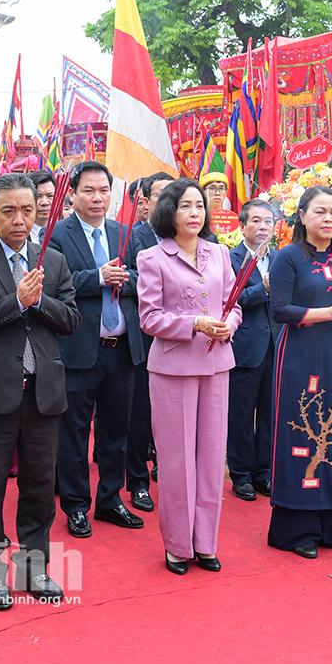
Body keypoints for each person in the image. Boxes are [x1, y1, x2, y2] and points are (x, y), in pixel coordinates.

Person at [0, 173, 80, 609]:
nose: (20, 219)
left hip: (43, 392)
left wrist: (39, 300)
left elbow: (71, 320)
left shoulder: (54, 262)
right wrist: (16, 302)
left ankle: (35, 567)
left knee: (41, 484)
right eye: (9, 211)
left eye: (27, 210)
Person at [137, 179, 241, 574]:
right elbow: (150, 318)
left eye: (199, 206)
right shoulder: (152, 257)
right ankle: (178, 545)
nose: (195, 213)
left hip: (216, 364)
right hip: (173, 367)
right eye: (185, 206)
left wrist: (228, 323)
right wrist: (194, 322)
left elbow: (232, 303)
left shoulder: (219, 253)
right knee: (178, 459)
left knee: (213, 456)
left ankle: (206, 542)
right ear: (169, 212)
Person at [267, 186, 332, 558]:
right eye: (321, 212)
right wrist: (331, 313)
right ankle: (298, 531)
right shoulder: (288, 258)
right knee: (304, 433)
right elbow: (280, 310)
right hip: (299, 355)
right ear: (303, 216)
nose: (328, 220)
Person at [48, 161, 146, 538]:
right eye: (88, 190)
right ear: (72, 194)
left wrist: (127, 277)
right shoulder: (57, 234)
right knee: (73, 432)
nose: (96, 198)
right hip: (77, 349)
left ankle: (110, 498)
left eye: (103, 190)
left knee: (116, 430)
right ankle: (75, 505)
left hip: (121, 348)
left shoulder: (124, 232)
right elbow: (57, 283)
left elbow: (145, 278)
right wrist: (98, 277)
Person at [125, 171, 174, 511]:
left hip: (184, 340)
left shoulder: (194, 237)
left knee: (174, 417)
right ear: (145, 201)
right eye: (160, 195)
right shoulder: (132, 237)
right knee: (140, 415)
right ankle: (138, 482)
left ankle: (171, 475)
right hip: (145, 338)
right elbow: (124, 279)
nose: (169, 203)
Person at [226, 198, 277, 501]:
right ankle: (241, 473)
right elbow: (233, 298)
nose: (262, 227)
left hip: (276, 345)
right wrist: (265, 288)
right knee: (241, 414)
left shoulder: (282, 258)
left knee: (270, 412)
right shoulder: (231, 258)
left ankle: (264, 472)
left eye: (268, 221)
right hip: (245, 345)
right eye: (256, 221)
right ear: (242, 226)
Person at [29, 171, 56, 244]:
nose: (44, 202)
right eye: (38, 196)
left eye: (50, 196)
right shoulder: (18, 233)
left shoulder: (64, 232)